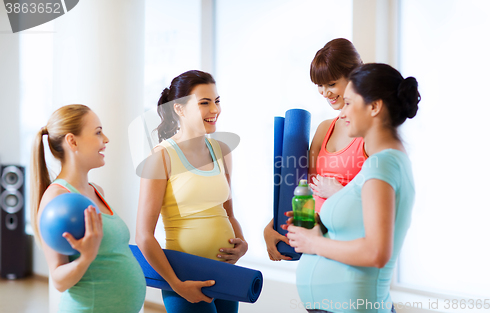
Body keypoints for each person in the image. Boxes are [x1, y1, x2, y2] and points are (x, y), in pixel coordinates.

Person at [287, 63, 420, 313]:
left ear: (374, 107)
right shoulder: (384, 163)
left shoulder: (382, 164)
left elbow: (376, 252)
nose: (343, 112)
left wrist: (313, 243)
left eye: (349, 103)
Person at [135, 70, 247, 313]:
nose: (214, 110)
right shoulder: (161, 157)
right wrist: (176, 284)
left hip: (225, 273)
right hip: (185, 277)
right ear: (179, 109)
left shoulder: (222, 150)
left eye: (217, 101)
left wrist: (242, 244)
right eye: (204, 103)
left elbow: (228, 213)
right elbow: (144, 235)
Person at [30, 104, 146, 313]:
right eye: (98, 132)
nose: (106, 139)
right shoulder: (56, 198)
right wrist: (86, 258)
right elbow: (58, 280)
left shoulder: (96, 190)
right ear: (72, 141)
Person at [264, 38, 368, 261]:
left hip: (347, 249)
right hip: (313, 248)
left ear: (355, 75)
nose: (324, 93)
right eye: (319, 86)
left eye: (331, 84)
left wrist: (340, 193)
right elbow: (303, 190)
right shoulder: (324, 129)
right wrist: (272, 225)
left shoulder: (369, 134)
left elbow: (378, 206)